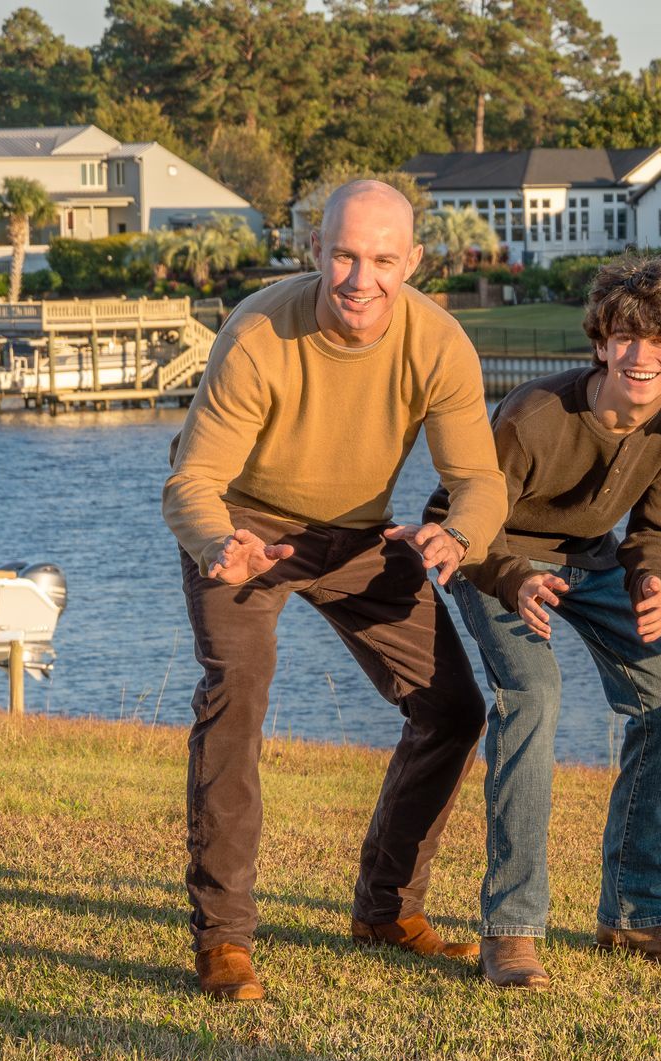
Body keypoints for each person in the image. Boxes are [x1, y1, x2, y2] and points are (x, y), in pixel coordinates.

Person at [163, 179, 508, 1002]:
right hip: (245, 527)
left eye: (383, 260)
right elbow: (192, 485)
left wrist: (457, 536)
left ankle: (387, 909)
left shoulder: (438, 342)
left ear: (413, 262)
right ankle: (223, 941)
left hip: (359, 535)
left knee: (453, 709)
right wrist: (220, 545)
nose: (362, 279)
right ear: (315, 251)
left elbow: (479, 482)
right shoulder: (258, 331)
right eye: (345, 256)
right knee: (237, 694)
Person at [431, 255, 661, 991]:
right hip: (496, 558)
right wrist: (515, 579)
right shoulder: (534, 417)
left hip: (595, 563)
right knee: (535, 699)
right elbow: (454, 518)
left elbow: (659, 524)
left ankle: (635, 913)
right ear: (600, 342)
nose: (640, 356)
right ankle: (512, 929)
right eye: (626, 336)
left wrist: (655, 581)